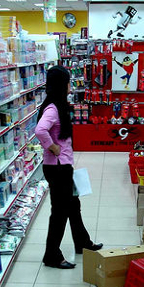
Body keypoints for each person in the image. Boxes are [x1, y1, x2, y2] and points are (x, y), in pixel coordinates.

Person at [35, 66, 102, 269]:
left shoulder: (58, 106)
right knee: (60, 212)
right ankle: (52, 256)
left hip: (63, 166)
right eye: (68, 82)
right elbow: (40, 130)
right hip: (57, 169)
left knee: (73, 205)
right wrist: (53, 147)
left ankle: (83, 243)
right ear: (61, 85)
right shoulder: (53, 108)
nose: (70, 85)